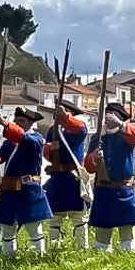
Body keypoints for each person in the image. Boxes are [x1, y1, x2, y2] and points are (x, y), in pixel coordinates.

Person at [0, 107, 52, 256]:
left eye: (22, 121)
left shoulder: (36, 139)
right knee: (8, 227)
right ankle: (8, 256)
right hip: (10, 188)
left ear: (30, 123)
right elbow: (0, 158)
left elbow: (24, 139)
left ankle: (39, 257)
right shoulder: (9, 142)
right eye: (16, 121)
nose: (18, 123)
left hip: (29, 189)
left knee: (33, 226)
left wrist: (5, 124)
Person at [85, 102, 135, 252]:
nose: (108, 118)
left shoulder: (126, 135)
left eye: (112, 115)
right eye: (107, 114)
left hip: (124, 189)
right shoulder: (98, 138)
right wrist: (94, 158)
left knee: (127, 232)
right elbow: (89, 166)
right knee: (102, 233)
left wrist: (120, 124)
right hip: (103, 190)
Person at [43, 100, 90, 249]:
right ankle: (56, 248)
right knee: (55, 218)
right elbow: (47, 152)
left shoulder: (77, 128)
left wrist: (66, 117)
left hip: (72, 177)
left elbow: (80, 130)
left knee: (79, 217)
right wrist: (51, 150)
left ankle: (81, 248)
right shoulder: (53, 130)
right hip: (57, 177)